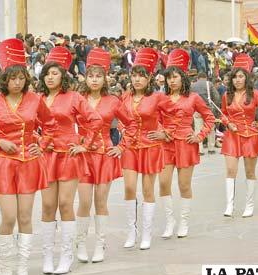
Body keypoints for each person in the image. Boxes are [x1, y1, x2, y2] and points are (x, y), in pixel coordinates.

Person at [0, 38, 56, 275]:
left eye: (21, 78)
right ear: (4, 79)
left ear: (26, 78)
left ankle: (22, 268)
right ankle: (5, 268)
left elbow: (51, 125)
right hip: (3, 162)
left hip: (28, 163)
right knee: (9, 217)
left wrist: (42, 145)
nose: (17, 82)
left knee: (25, 216)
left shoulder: (35, 100)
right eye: (12, 78)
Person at [38, 46, 102, 275]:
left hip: (69, 154)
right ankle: (47, 256)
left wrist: (84, 144)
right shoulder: (38, 99)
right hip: (46, 155)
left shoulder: (73, 97)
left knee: (65, 204)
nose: (50, 77)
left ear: (63, 76)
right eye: (47, 73)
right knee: (47, 206)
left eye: (55, 73)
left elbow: (95, 120)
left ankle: (66, 256)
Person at [75, 48, 136, 263]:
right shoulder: (77, 98)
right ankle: (80, 243)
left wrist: (121, 147)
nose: (94, 80)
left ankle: (100, 244)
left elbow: (132, 124)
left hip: (104, 154)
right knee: (83, 202)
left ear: (105, 78)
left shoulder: (113, 101)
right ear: (85, 77)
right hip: (82, 155)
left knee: (101, 201)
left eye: (98, 76)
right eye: (90, 75)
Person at [152, 49, 215, 238]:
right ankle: (170, 221)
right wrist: (162, 132)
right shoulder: (160, 99)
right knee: (163, 183)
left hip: (186, 144)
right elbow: (155, 119)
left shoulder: (193, 98)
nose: (172, 81)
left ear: (183, 79)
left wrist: (200, 135)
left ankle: (184, 222)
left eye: (176, 77)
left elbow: (209, 118)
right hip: (166, 144)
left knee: (184, 185)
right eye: (169, 78)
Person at [120, 48, 167, 250]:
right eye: (135, 75)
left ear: (149, 79)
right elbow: (121, 119)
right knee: (129, 188)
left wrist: (165, 133)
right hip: (130, 147)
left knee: (148, 190)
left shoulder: (157, 97)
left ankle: (146, 233)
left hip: (150, 147)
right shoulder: (126, 97)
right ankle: (132, 231)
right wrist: (124, 130)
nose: (138, 79)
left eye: (142, 76)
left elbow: (174, 116)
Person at [221, 54, 258, 218]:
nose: (237, 80)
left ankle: (249, 205)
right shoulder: (226, 96)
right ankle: (229, 206)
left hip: (250, 136)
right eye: (234, 77)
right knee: (230, 170)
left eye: (240, 77)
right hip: (232, 136)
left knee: (249, 172)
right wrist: (227, 123)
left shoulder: (256, 94)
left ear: (246, 78)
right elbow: (223, 114)